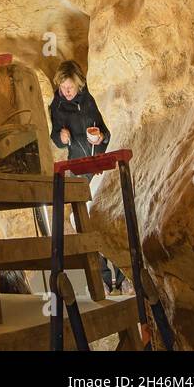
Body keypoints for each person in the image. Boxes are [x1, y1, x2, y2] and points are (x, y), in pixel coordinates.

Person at [48, 60, 128, 294]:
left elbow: (107, 131)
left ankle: (123, 277)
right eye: (63, 88)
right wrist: (61, 138)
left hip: (101, 163)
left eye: (70, 87)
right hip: (78, 166)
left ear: (79, 84)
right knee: (84, 221)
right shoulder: (58, 105)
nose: (67, 92)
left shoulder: (90, 99)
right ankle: (103, 279)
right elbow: (55, 135)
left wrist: (100, 136)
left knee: (112, 215)